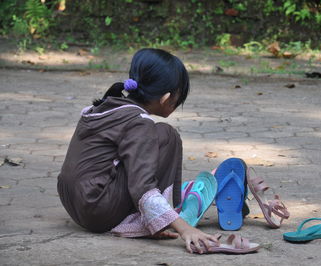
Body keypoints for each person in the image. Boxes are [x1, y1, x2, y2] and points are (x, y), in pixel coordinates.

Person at [57, 48, 218, 253]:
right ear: (166, 98)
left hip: (74, 202)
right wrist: (185, 229)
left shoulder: (104, 106)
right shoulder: (139, 123)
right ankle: (156, 219)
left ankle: (155, 216)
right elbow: (142, 187)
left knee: (161, 134)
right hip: (97, 209)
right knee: (168, 137)